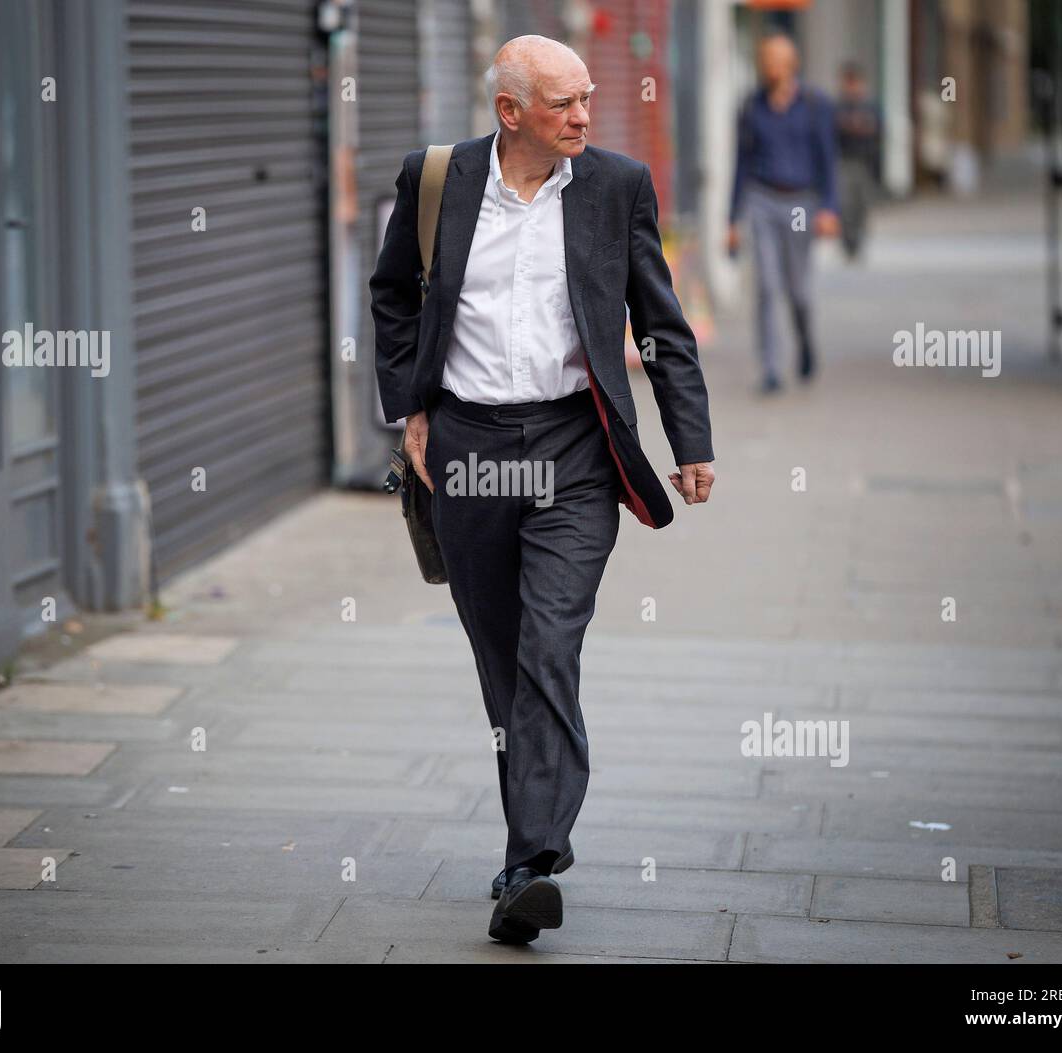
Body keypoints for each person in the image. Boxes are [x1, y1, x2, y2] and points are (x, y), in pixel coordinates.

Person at [370, 35, 715, 944]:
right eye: (563, 103)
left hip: (573, 448)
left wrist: (692, 440)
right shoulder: (436, 181)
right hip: (471, 448)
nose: (583, 116)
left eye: (587, 98)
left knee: (550, 643)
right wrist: (410, 407)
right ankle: (532, 836)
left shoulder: (615, 185)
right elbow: (393, 294)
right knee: (503, 654)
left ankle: (531, 858)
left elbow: (660, 321)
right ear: (509, 111)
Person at [727, 33, 840, 393]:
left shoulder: (814, 104)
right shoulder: (751, 106)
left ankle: (805, 342)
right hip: (761, 199)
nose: (770, 66)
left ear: (792, 64)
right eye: (766, 59)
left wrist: (829, 208)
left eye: (777, 59)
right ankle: (771, 368)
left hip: (800, 203)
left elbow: (828, 159)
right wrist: (731, 219)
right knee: (766, 285)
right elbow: (741, 164)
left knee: (799, 289)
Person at [835, 62, 883, 260]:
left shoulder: (870, 106)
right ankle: (848, 243)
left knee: (861, 205)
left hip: (865, 162)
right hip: (844, 161)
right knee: (845, 204)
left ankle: (858, 241)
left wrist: (861, 126)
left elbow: (878, 129)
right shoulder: (839, 106)